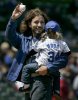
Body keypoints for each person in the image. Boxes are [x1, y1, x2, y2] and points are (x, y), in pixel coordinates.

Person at [5, 3, 71, 100]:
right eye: (36, 22)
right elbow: (10, 35)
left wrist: (48, 68)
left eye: (42, 22)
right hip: (26, 84)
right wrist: (13, 19)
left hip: (43, 81)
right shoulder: (23, 40)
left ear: (46, 25)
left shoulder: (53, 40)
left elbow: (63, 59)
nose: (39, 25)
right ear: (29, 24)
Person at [19, 21, 71, 98]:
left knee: (26, 68)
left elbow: (34, 50)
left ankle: (26, 86)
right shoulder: (62, 43)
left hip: (40, 66)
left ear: (46, 31)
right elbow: (68, 53)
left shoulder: (43, 42)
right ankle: (56, 91)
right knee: (57, 75)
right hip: (53, 68)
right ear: (57, 31)